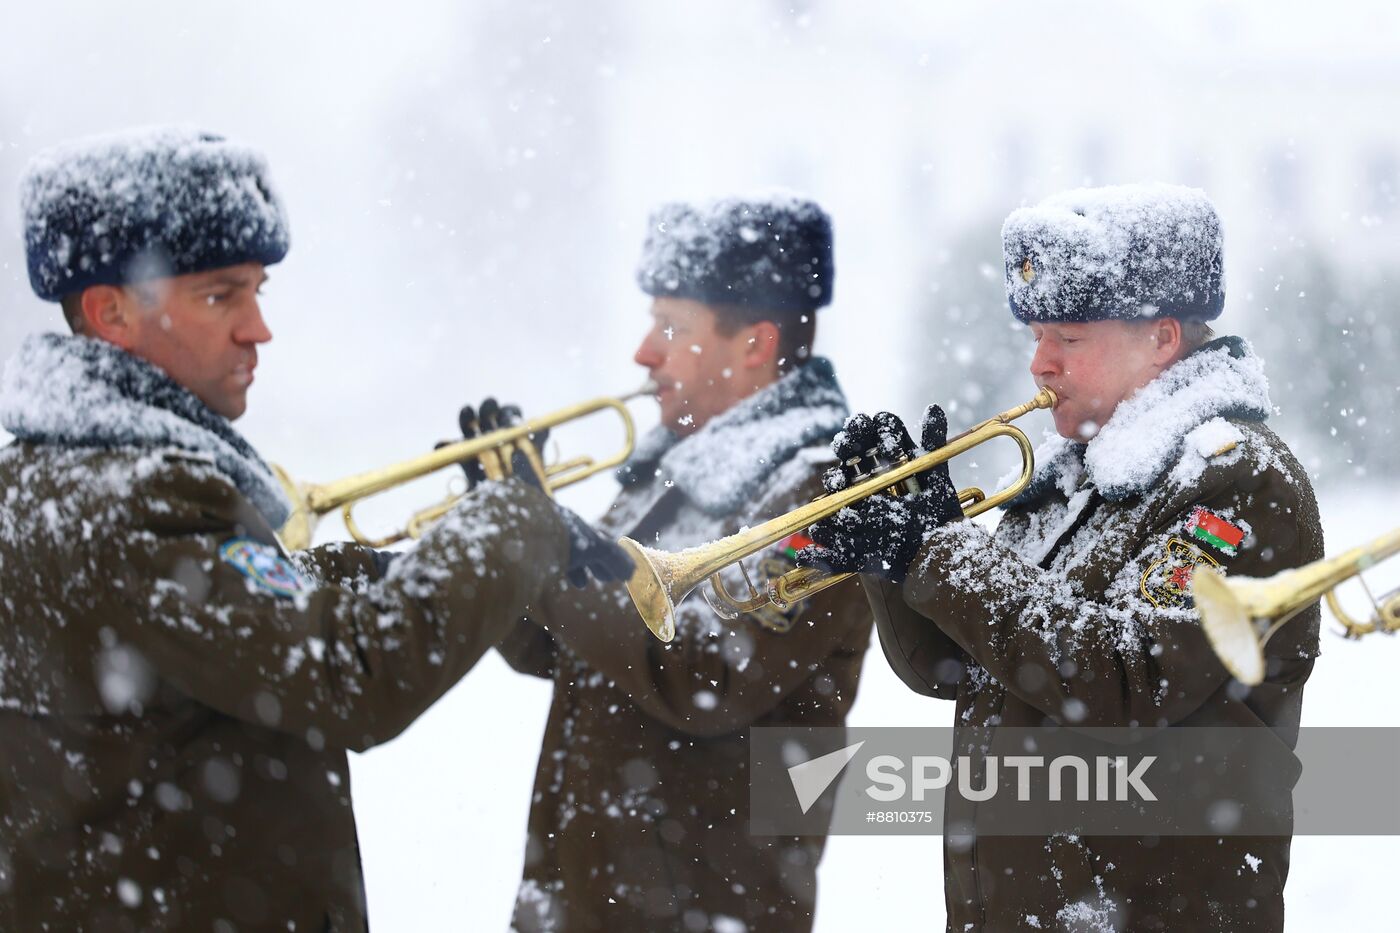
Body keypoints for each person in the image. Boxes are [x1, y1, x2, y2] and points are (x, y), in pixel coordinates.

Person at [0, 126, 626, 932]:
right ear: (109, 312)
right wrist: (514, 523)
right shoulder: (138, 497)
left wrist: (424, 559)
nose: (258, 328)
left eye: (259, 292)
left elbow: (227, 621)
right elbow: (346, 676)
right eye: (221, 295)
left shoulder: (50, 476)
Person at [800, 183, 1323, 931]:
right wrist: (896, 558)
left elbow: (1126, 680)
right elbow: (956, 670)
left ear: (1162, 337)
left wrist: (941, 553)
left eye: (1069, 339)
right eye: (1036, 336)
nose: (1041, 363)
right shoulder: (1068, 476)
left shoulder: (1235, 479)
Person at [489, 194, 874, 932]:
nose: (644, 352)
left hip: (705, 906)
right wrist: (509, 539)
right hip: (578, 894)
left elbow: (704, 675)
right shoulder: (667, 476)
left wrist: (557, 547)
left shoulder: (824, 492)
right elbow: (550, 645)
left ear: (754, 343)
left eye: (670, 326)